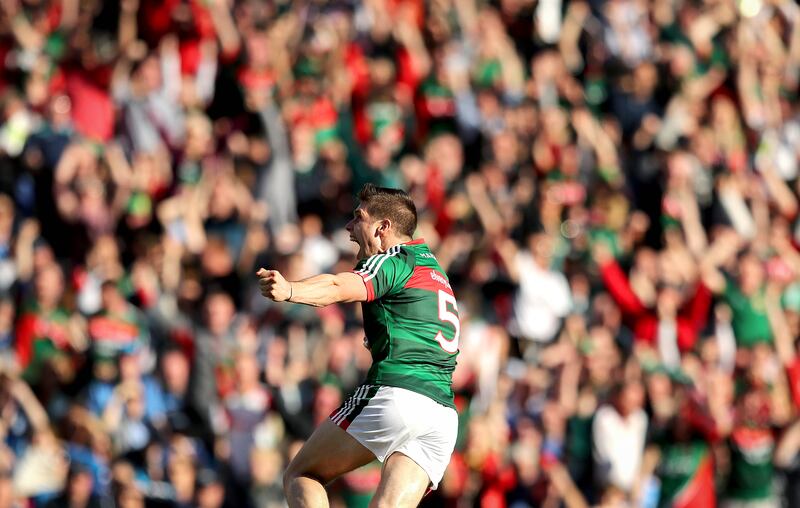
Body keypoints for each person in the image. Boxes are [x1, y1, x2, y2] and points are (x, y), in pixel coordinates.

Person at [258, 184, 460, 507]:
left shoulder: (394, 259)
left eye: (358, 218)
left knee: (301, 474)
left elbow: (339, 285)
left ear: (383, 228)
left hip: (398, 392)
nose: (350, 228)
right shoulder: (435, 272)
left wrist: (290, 290)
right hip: (442, 415)